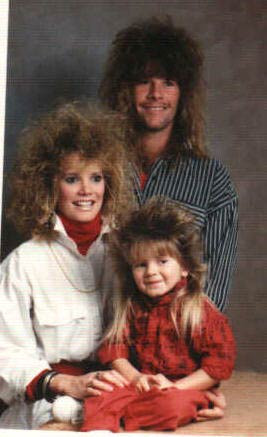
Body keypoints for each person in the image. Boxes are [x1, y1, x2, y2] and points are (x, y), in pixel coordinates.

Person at [0, 102, 132, 430]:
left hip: (117, 390)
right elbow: (4, 353)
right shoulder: (23, 262)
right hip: (46, 401)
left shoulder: (128, 253)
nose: (87, 190)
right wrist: (66, 384)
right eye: (72, 179)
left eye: (96, 177)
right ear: (48, 185)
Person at [99, 16, 238, 313]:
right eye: (143, 81)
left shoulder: (212, 180)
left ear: (183, 94)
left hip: (176, 350)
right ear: (125, 90)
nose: (156, 94)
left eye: (168, 82)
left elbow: (213, 290)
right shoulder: (95, 167)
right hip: (97, 346)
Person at [81, 198, 236, 432]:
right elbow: (115, 350)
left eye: (162, 261)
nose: (151, 271)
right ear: (130, 271)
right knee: (102, 393)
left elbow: (216, 368)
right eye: (140, 265)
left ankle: (124, 416)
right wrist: (136, 379)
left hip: (182, 388)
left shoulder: (200, 312)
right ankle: (108, 423)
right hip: (139, 385)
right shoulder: (131, 307)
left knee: (172, 407)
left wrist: (173, 388)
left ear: (185, 267)